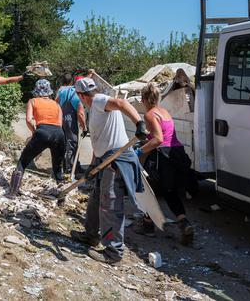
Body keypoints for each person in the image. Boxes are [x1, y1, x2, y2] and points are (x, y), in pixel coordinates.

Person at [70, 77, 148, 265]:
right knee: (96, 198)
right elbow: (100, 141)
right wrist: (92, 167)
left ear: (81, 95)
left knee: (110, 205)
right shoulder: (94, 109)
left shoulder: (98, 100)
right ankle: (90, 235)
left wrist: (139, 123)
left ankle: (114, 251)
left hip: (116, 160)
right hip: (104, 159)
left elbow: (121, 102)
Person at [134, 83, 196, 243]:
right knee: (169, 192)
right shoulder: (164, 112)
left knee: (149, 189)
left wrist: (139, 152)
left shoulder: (150, 115)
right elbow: (163, 133)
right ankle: (184, 223)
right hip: (177, 153)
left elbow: (158, 139)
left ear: (144, 99)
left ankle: (148, 227)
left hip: (164, 156)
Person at [7, 79, 66, 197]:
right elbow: (60, 123)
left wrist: (35, 132)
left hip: (42, 131)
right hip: (59, 133)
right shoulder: (56, 104)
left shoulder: (33, 101)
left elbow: (29, 119)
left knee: (23, 162)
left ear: (36, 90)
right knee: (57, 166)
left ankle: (13, 191)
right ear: (49, 91)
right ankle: (62, 195)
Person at [55, 74, 87, 177]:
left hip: (60, 119)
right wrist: (84, 127)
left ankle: (66, 166)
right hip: (70, 119)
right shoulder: (77, 93)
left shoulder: (61, 91)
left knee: (63, 142)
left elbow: (55, 103)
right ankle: (71, 168)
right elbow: (80, 114)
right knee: (72, 142)